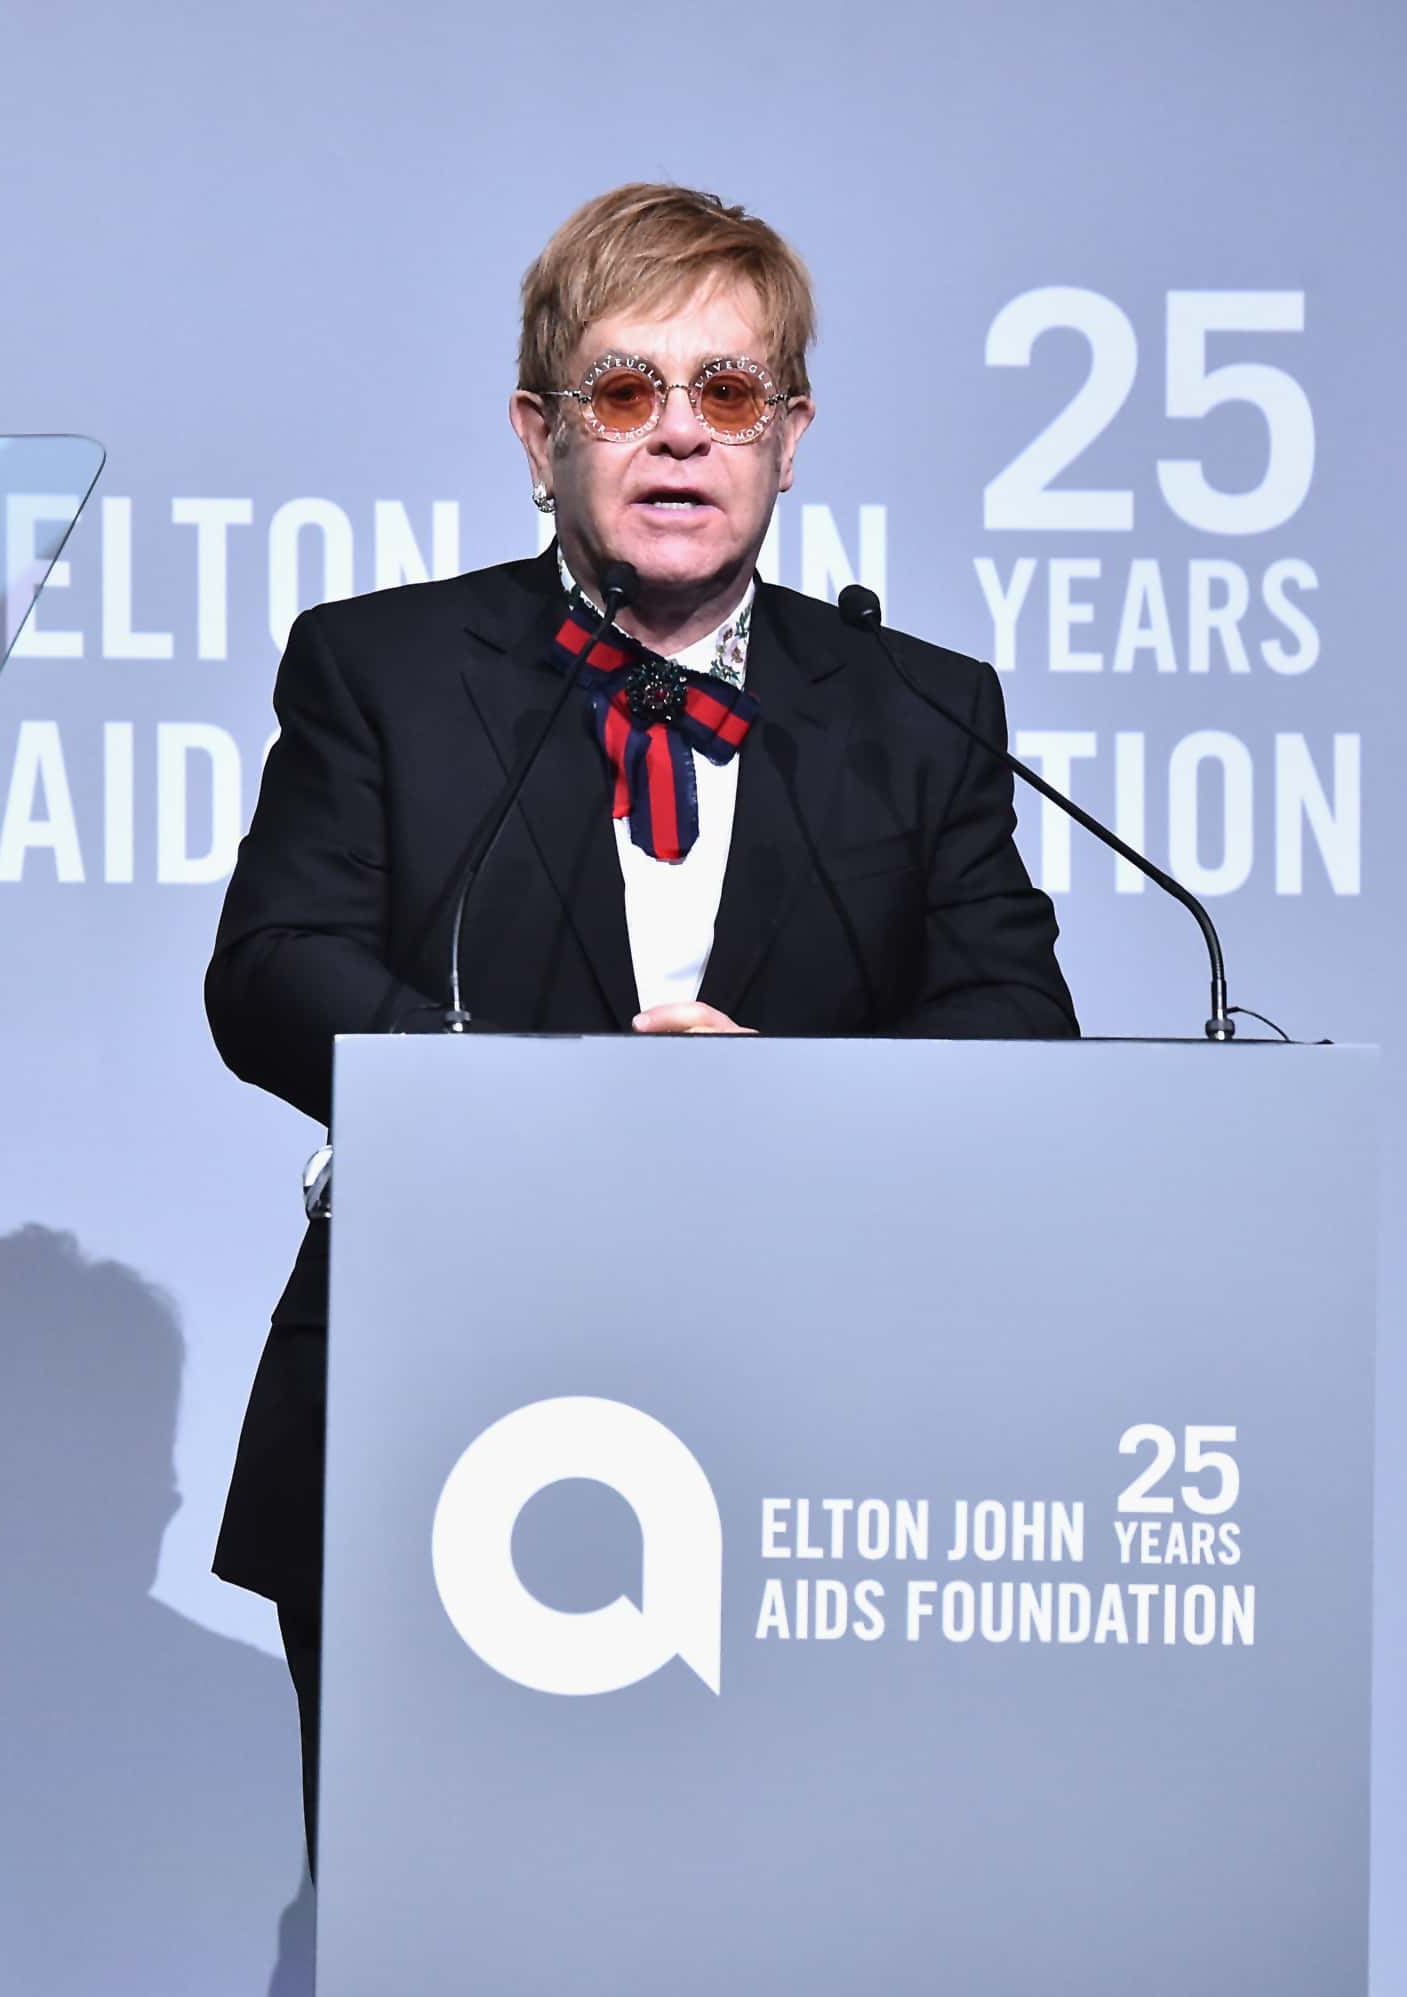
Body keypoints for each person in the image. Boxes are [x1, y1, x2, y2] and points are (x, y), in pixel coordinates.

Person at [203, 183, 1080, 1867]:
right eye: (622, 393)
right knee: (451, 1918)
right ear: (538, 436)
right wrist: (541, 1113)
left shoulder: (918, 708)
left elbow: (1012, 1023)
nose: (678, 438)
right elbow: (274, 966)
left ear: (793, 435)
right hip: (431, 1403)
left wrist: (778, 1105)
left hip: (816, 1436)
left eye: (728, 392)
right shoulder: (381, 667)